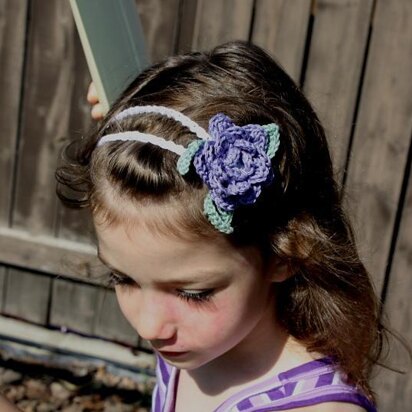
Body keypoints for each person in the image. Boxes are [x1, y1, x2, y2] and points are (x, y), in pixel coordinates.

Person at [56, 40, 385, 411]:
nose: (149, 327)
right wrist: (138, 126)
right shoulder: (205, 344)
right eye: (123, 279)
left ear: (285, 253)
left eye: (193, 294)